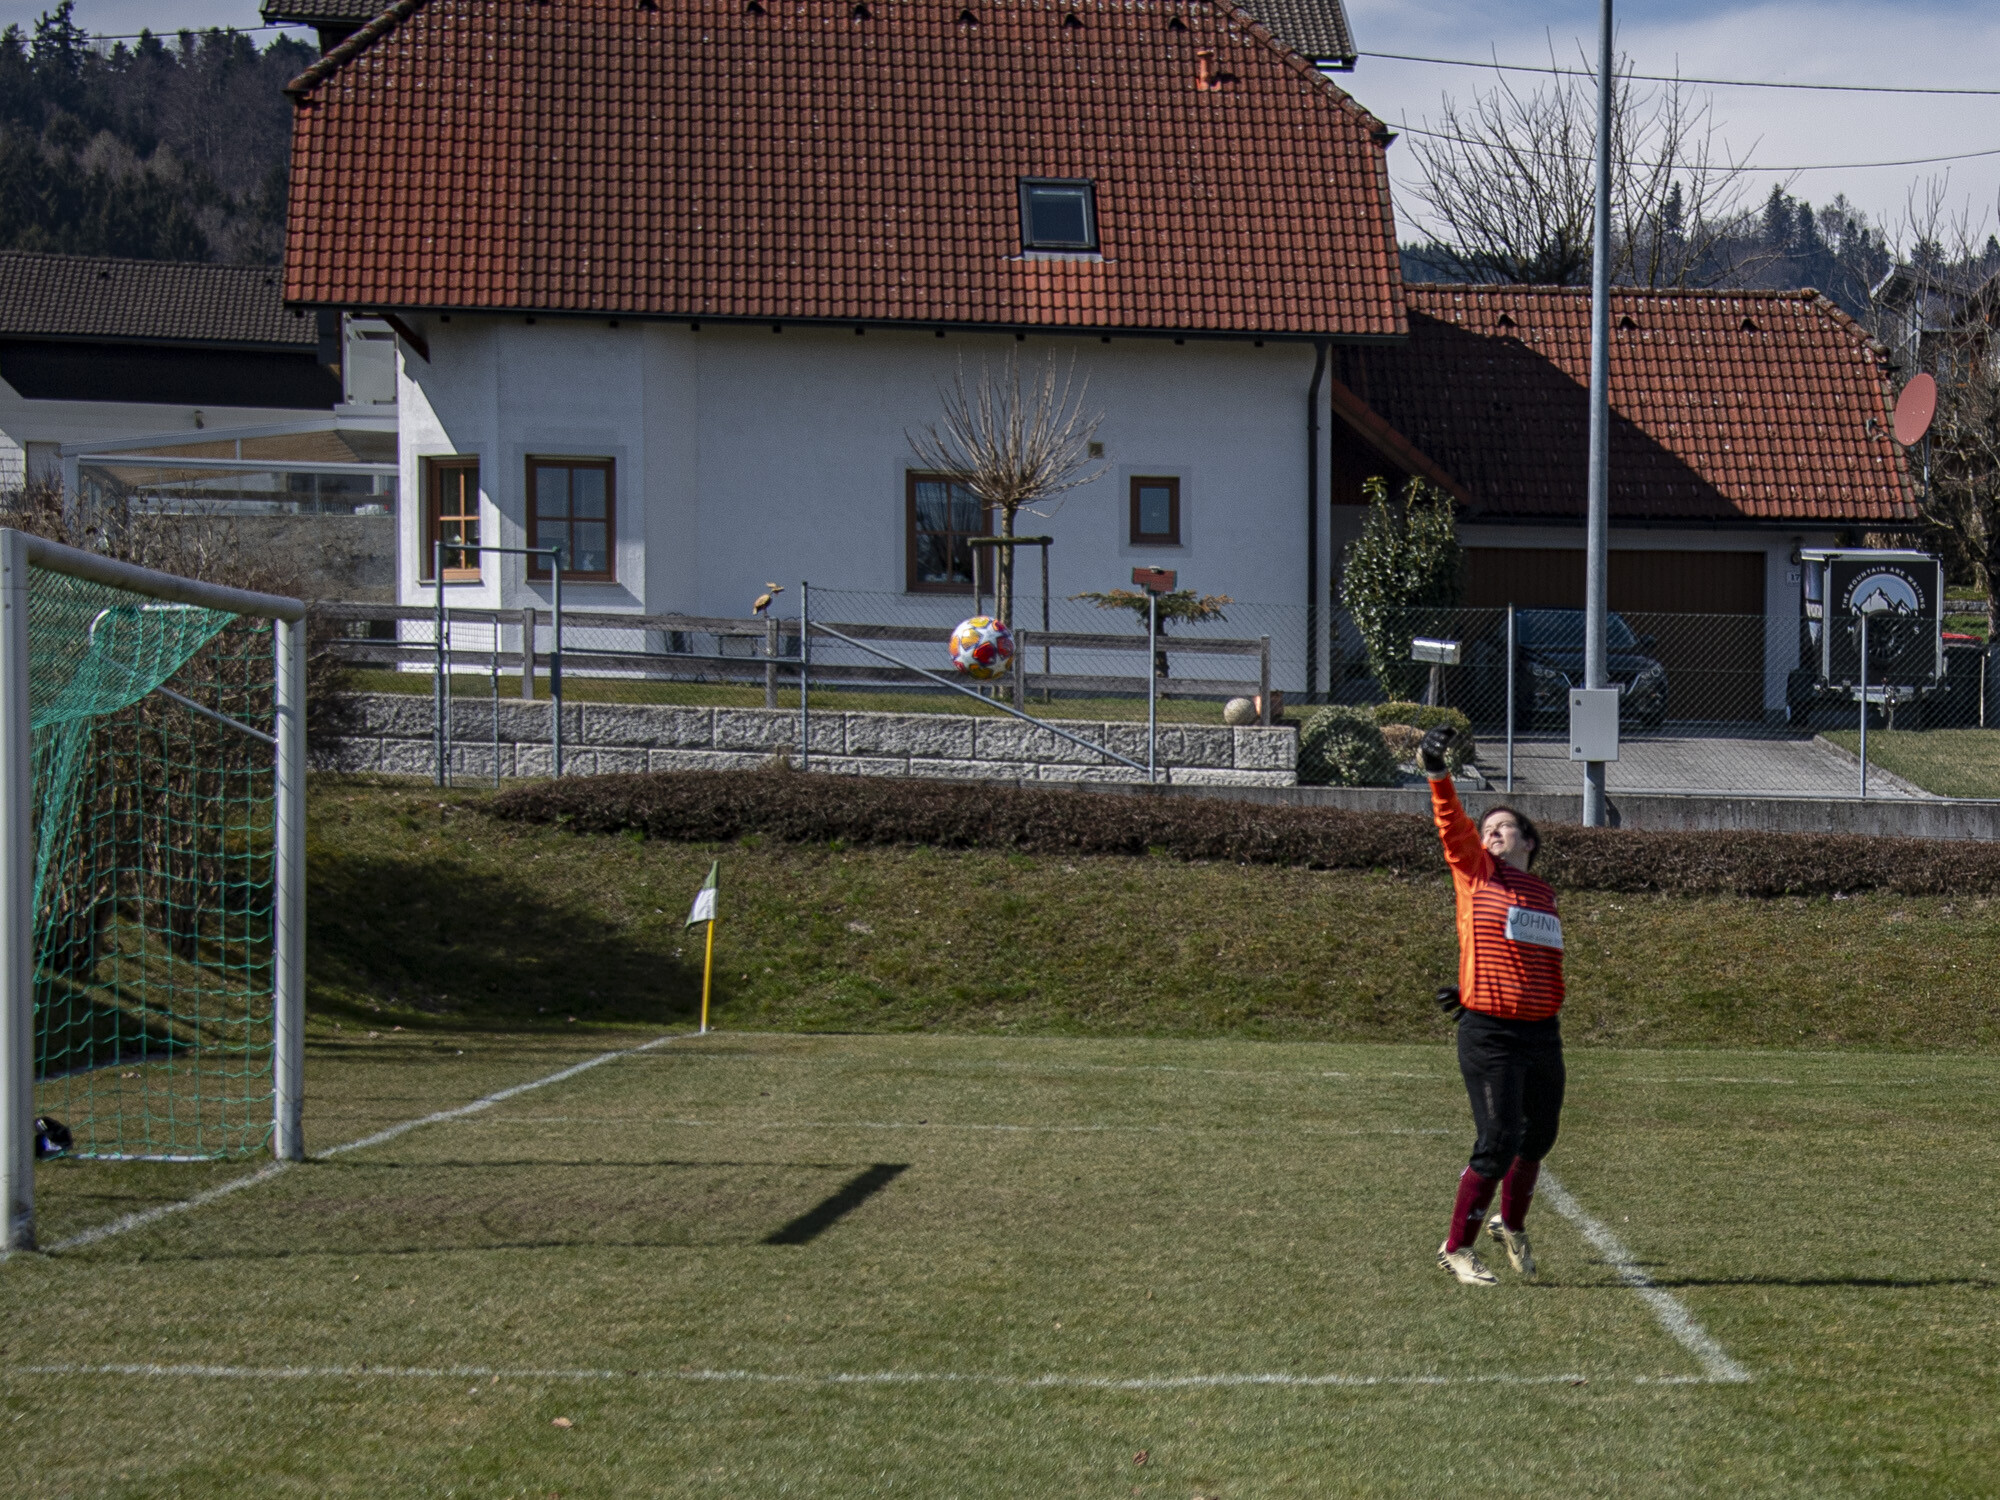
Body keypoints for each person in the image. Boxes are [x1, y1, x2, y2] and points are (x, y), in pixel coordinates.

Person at [1417, 725, 1566, 1287]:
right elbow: (1451, 825)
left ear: (1529, 841)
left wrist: (1470, 982)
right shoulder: (1477, 871)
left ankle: (1512, 1224)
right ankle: (1456, 1248)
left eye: (1504, 827)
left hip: (1542, 1032)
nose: (1492, 833)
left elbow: (1529, 960)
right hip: (1492, 1034)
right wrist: (1436, 769)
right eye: (1488, 829)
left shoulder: (1543, 893)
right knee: (1498, 1142)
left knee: (1539, 1136)